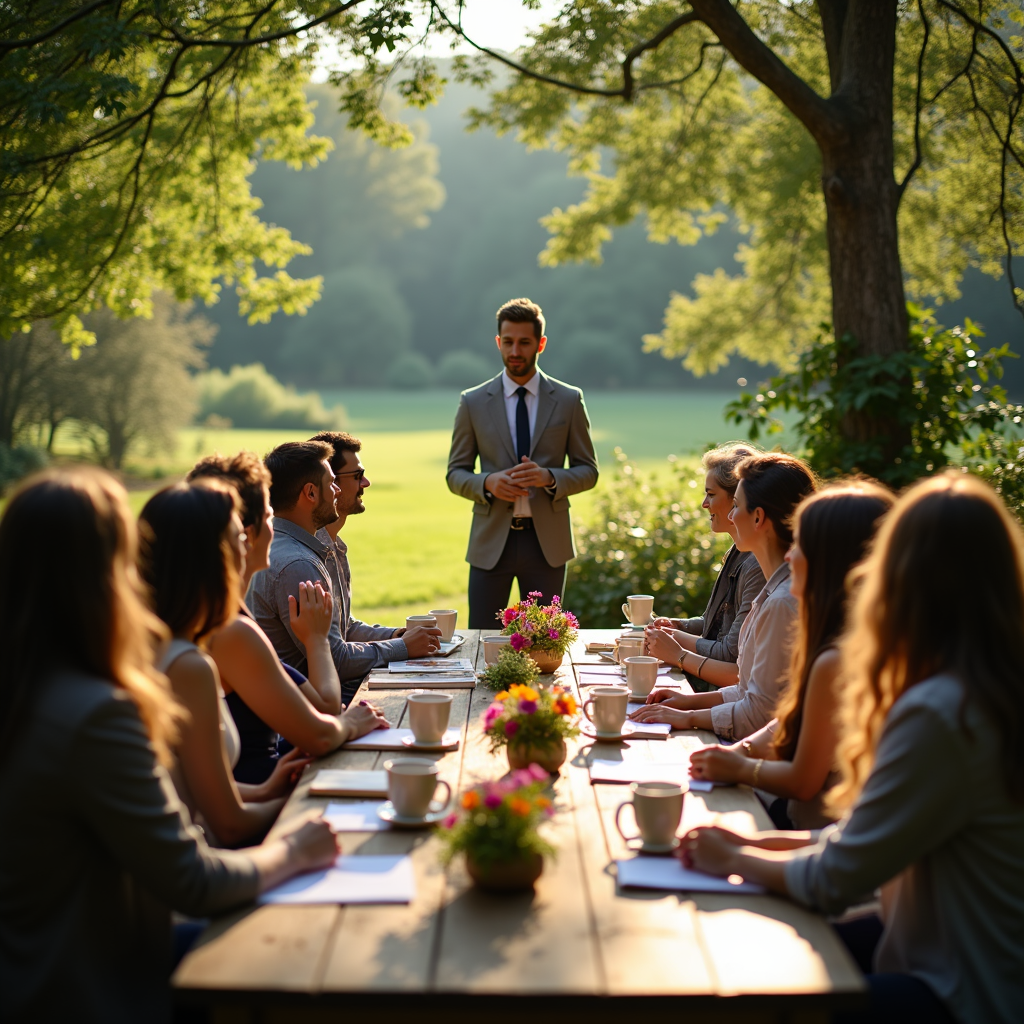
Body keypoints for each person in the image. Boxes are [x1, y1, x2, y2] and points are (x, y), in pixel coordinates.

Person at [682, 473, 1024, 1024]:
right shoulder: (980, 686)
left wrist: (733, 856)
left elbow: (837, 879)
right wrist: (760, 848)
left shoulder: (940, 710)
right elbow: (868, 836)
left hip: (961, 991)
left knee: (746, 979)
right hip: (955, 960)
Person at [0, 469, 339, 1023]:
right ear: (106, 574)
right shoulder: (98, 713)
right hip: (97, 986)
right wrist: (295, 850)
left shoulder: (31, 688)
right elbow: (193, 879)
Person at [689, 482, 894, 829]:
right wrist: (736, 753)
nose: (789, 555)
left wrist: (740, 766)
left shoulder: (833, 654)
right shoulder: (836, 634)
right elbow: (788, 719)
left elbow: (803, 781)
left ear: (835, 560)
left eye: (801, 544)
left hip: (808, 826)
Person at [187, 452, 390, 784]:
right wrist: (316, 640)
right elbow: (324, 715)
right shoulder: (232, 628)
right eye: (270, 514)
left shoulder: (217, 615)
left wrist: (270, 792)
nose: (276, 525)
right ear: (246, 533)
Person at [140, 479, 306, 846]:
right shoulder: (190, 664)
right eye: (238, 538)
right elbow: (228, 825)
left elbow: (185, 787)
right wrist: (302, 804)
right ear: (212, 558)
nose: (248, 545)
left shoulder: (154, 645)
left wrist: (264, 791)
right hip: (201, 869)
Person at [632, 452, 816, 739]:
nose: (730, 515)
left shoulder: (780, 600)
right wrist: (687, 704)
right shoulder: (771, 589)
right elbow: (747, 688)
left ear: (758, 517)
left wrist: (688, 715)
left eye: (737, 506)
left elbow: (758, 713)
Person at [247, 440, 440, 705]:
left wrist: (398, 637)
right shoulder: (298, 565)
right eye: (331, 483)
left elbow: (339, 630)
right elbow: (334, 658)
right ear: (311, 494)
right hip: (306, 710)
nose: (337, 490)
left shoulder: (291, 548)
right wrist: (404, 647)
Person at [447, 297, 599, 627]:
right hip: (491, 544)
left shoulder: (569, 400)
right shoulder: (472, 402)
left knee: (545, 641)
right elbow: (455, 473)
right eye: (509, 342)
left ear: (540, 344)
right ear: (498, 342)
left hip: (547, 545)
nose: (515, 351)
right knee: (483, 640)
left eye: (524, 343)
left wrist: (549, 477)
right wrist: (487, 483)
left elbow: (589, 471)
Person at [649, 442, 765, 691]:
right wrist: (681, 625)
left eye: (711, 495)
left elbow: (730, 654)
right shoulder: (736, 551)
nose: (704, 503)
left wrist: (675, 642)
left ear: (737, 500)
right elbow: (716, 623)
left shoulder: (757, 565)